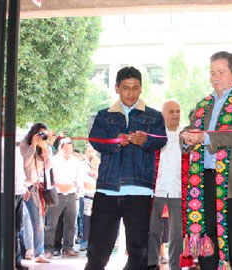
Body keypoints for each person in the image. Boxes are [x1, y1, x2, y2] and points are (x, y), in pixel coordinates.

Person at [180, 51, 232, 270]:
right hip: (203, 179)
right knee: (208, 239)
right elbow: (191, 131)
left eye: (221, 72)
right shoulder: (203, 104)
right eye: (212, 73)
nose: (216, 77)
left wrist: (203, 136)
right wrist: (186, 138)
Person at [85, 66, 167, 270]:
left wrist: (146, 141)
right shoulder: (103, 116)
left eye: (135, 88)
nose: (130, 93)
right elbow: (95, 140)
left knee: (138, 250)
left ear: (141, 89)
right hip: (107, 188)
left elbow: (161, 141)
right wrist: (115, 141)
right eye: (125, 88)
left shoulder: (155, 116)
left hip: (139, 190)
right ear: (117, 89)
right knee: (98, 249)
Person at [147, 99, 189, 270]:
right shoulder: (154, 135)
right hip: (156, 189)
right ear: (162, 114)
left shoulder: (186, 135)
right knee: (153, 231)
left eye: (178, 111)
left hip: (179, 191)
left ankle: (175, 266)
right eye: (171, 111)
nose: (175, 115)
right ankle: (151, 264)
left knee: (178, 234)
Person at [44, 138, 81, 258]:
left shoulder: (76, 161)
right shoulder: (53, 160)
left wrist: (72, 186)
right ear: (60, 148)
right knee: (52, 224)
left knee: (70, 223)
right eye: (65, 148)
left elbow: (78, 178)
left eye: (70, 148)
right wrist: (59, 185)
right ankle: (49, 249)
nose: (68, 150)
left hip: (70, 194)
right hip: (56, 194)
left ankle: (68, 247)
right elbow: (48, 177)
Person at [20, 123, 51, 263]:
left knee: (37, 221)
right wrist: (33, 145)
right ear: (34, 133)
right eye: (40, 134)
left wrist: (44, 149)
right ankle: (29, 249)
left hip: (36, 187)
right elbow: (25, 163)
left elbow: (49, 166)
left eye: (44, 134)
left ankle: (39, 252)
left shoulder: (44, 148)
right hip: (23, 186)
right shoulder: (24, 144)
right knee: (25, 220)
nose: (42, 137)